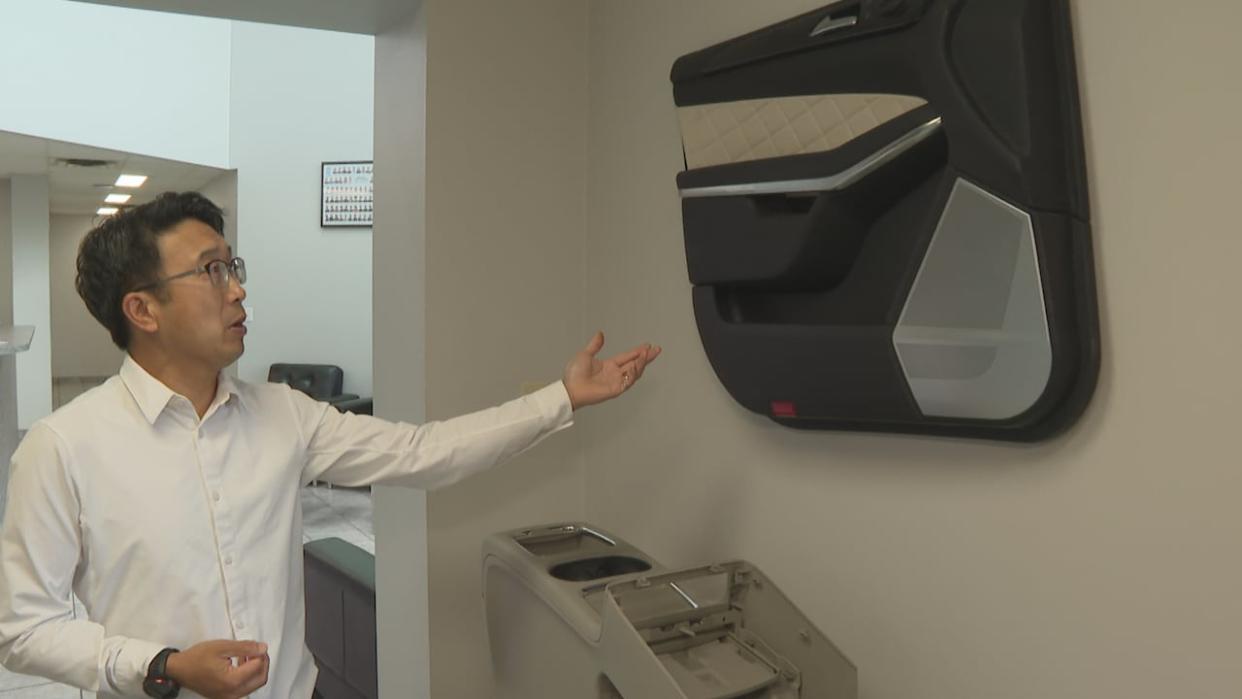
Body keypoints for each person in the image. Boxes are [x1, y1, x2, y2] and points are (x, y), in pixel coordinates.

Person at [0, 192, 660, 699]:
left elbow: (424, 450)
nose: (238, 288)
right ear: (142, 310)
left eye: (233, 265)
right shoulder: (63, 448)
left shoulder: (283, 414)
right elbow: (24, 629)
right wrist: (163, 666)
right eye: (211, 271)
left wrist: (561, 397)